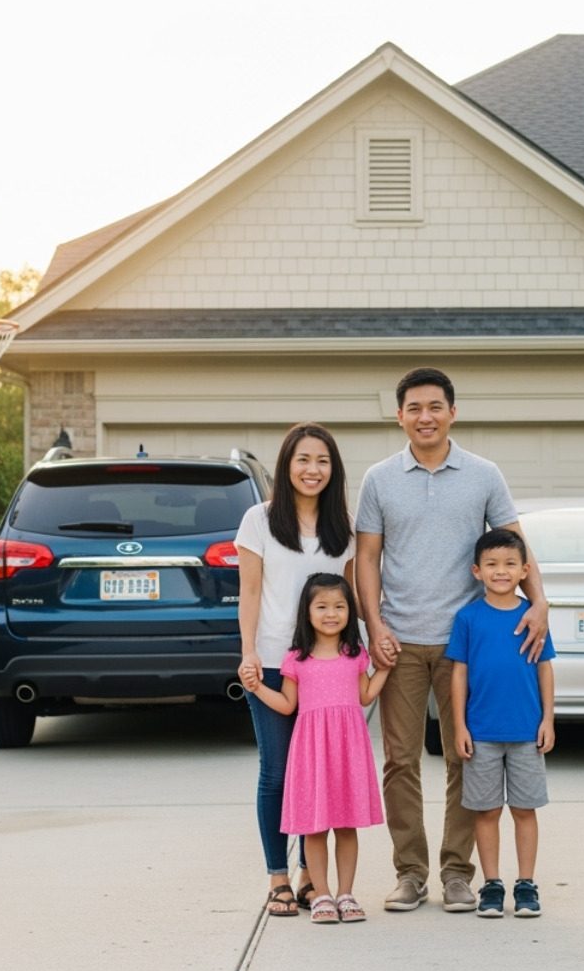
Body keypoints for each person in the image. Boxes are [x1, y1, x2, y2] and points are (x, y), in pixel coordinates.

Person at [354, 367, 549, 914]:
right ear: (399, 416)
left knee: (470, 757)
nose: (425, 417)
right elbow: (367, 557)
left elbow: (516, 544)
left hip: (469, 643)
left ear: (452, 412)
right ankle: (411, 872)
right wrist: (376, 626)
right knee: (399, 760)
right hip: (402, 640)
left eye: (435, 406)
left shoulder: (484, 474)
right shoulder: (379, 479)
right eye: (414, 408)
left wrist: (541, 601)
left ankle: (459, 872)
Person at [236, 423, 355, 918]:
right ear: (287, 466)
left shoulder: (342, 527)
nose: (313, 470)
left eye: (323, 461)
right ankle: (278, 877)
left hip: (327, 668)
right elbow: (251, 592)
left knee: (323, 776)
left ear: (334, 469)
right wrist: (248, 652)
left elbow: (350, 597)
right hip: (270, 663)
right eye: (303, 460)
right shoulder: (258, 521)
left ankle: (314, 879)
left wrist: (375, 641)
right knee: (279, 773)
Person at [242, 574, 390, 923]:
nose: (331, 613)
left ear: (350, 612)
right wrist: (258, 687)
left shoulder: (355, 655)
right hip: (312, 752)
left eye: (339, 606)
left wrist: (384, 668)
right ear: (306, 613)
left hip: (347, 751)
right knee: (315, 826)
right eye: (321, 606)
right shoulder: (296, 659)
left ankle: (346, 894)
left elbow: (366, 695)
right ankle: (321, 894)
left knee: (347, 825)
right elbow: (287, 705)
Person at [448, 528, 556, 918]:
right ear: (477, 571)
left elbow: (544, 670)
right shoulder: (468, 618)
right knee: (487, 810)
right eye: (492, 564)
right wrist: (460, 726)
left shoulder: (534, 616)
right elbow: (459, 675)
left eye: (510, 564)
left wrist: (548, 719)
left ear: (524, 569)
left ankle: (526, 884)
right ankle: (492, 884)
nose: (501, 571)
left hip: (527, 732)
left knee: (525, 810)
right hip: (482, 733)